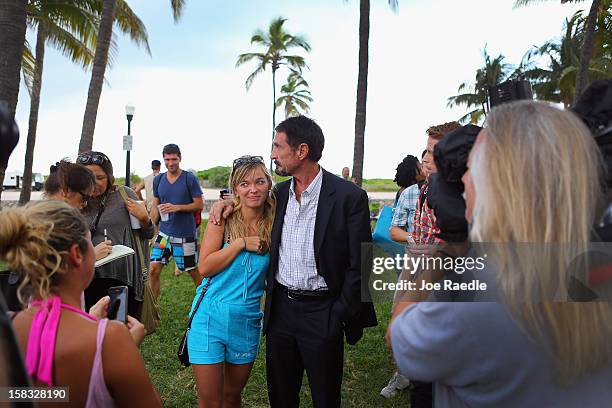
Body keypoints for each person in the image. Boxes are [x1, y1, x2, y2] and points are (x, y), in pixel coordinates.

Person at [391, 101, 612, 407]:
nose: (462, 181)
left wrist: (441, 256)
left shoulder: (480, 305)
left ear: (499, 181)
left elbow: (399, 334)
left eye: (473, 167)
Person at [211, 116, 377, 407]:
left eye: (278, 146)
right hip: (281, 312)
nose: (273, 153)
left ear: (301, 151)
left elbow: (361, 263)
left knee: (325, 397)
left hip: (323, 311)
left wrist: (337, 313)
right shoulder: (278, 195)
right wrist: (223, 203)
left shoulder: (349, 197)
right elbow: (245, 202)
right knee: (281, 396)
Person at [0, 200, 161, 407]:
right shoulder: (111, 340)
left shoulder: (9, 327)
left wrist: (88, 321)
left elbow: (16, 396)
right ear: (77, 255)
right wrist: (127, 349)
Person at [189, 155, 275, 407]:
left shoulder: (276, 221)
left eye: (260, 182)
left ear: (269, 184)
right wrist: (239, 244)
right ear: (235, 188)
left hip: (246, 321)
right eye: (244, 184)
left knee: (231, 395)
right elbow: (205, 267)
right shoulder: (223, 219)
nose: (253, 189)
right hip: (209, 319)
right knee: (210, 401)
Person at [78, 151, 153, 320]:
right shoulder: (75, 200)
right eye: (88, 177)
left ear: (110, 176)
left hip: (122, 279)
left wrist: (145, 218)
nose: (94, 183)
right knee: (91, 333)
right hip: (87, 279)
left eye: (100, 177)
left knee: (121, 331)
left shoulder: (124, 196)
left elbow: (147, 234)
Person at [149, 144, 204, 299]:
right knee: (153, 269)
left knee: (192, 271)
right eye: (167, 159)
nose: (171, 163)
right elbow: (155, 206)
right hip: (164, 235)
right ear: (163, 159)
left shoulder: (189, 179)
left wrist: (177, 207)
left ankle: (204, 303)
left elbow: (199, 204)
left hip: (184, 235)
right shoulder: (158, 180)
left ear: (180, 158)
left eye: (174, 159)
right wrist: (152, 231)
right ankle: (153, 311)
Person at [389, 155, 422, 245]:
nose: (422, 168)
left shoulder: (403, 190)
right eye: (419, 168)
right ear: (413, 173)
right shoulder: (406, 192)